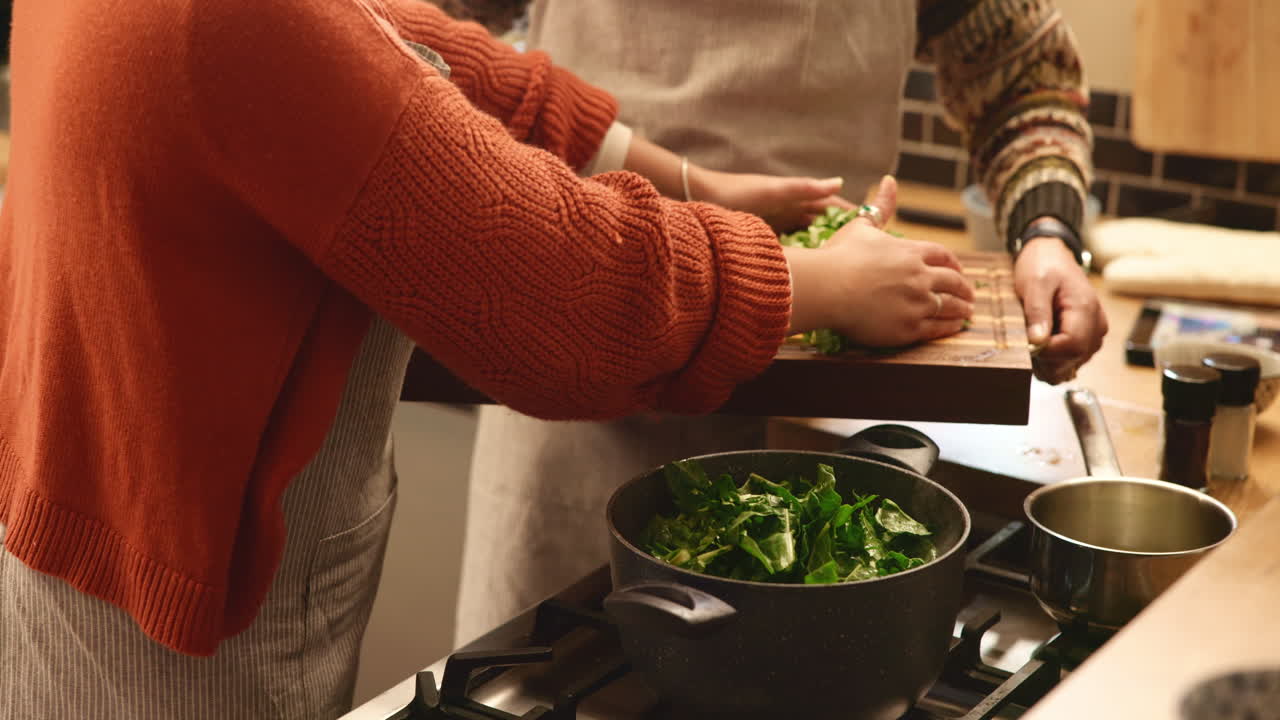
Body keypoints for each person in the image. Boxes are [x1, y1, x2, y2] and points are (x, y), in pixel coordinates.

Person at [0, 0, 976, 718]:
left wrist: (692, 183)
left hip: (87, 566)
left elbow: (405, 47)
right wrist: (809, 287)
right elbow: (555, 284)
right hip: (181, 650)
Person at [454, 0, 1109, 645]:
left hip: (822, 416)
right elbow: (429, 52)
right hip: (575, 394)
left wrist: (1046, 231)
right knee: (551, 669)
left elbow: (1023, 71)